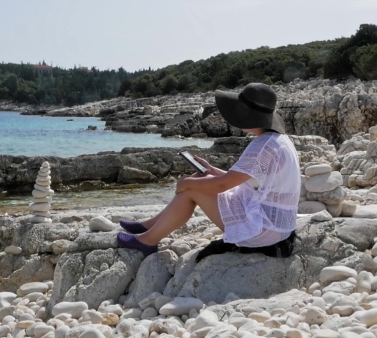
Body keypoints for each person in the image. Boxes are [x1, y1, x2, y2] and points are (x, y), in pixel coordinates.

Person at [116, 82, 301, 256]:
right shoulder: (278, 141)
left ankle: (147, 241)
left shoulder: (262, 147)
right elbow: (249, 181)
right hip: (277, 224)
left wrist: (186, 182)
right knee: (195, 185)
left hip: (265, 231)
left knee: (190, 190)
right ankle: (149, 226)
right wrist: (212, 171)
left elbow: (222, 185)